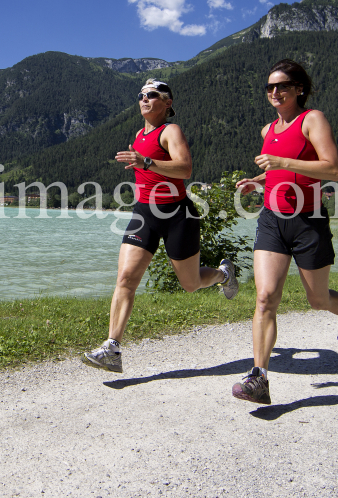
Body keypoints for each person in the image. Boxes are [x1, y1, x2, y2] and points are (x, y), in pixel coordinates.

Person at [82, 78, 238, 374]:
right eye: (141, 95)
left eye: (152, 95)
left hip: (178, 215)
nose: (144, 99)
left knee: (190, 284)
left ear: (167, 104)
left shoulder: (170, 131)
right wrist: (143, 163)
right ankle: (112, 348)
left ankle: (223, 273)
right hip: (144, 214)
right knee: (126, 278)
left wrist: (147, 161)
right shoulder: (140, 135)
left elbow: (185, 168)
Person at [232, 59, 338, 405]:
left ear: (299, 89)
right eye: (270, 87)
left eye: (283, 86)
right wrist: (256, 181)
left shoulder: (312, 120)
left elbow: (332, 168)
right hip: (273, 220)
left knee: (317, 300)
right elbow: (275, 169)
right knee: (265, 297)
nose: (275, 92)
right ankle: (259, 377)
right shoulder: (267, 130)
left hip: (309, 221)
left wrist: (282, 163)